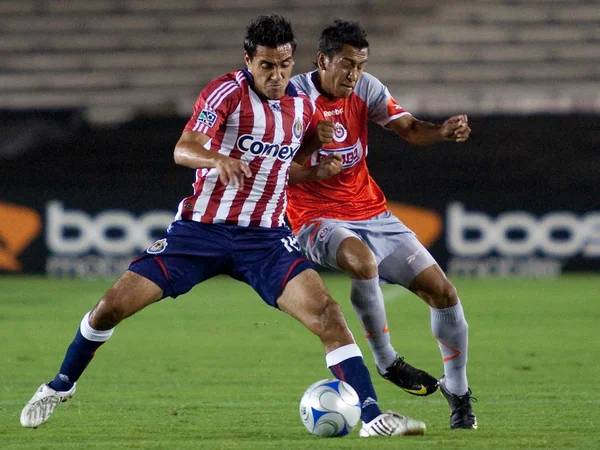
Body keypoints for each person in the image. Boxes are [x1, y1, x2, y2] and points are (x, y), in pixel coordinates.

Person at [20, 14, 427, 438]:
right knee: (111, 308)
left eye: (285, 64)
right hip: (200, 232)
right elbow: (184, 148)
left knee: (328, 314)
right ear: (248, 60)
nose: (277, 75)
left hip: (265, 239)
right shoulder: (225, 93)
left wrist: (315, 157)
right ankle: (58, 386)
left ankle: (373, 415)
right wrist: (217, 159)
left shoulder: (302, 106)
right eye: (267, 66)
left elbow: (286, 167)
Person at [287, 20, 477, 429]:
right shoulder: (292, 97)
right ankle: (387, 361)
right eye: (346, 64)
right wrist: (312, 148)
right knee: (362, 261)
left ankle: (458, 392)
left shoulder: (366, 89)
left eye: (360, 64)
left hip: (371, 212)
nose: (354, 74)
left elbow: (408, 128)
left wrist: (441, 132)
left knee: (443, 293)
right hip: (313, 216)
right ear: (322, 60)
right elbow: (276, 167)